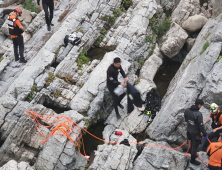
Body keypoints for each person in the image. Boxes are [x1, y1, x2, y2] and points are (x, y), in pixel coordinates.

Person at [184, 99, 207, 165]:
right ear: (199, 105)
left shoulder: (187, 111)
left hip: (189, 131)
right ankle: (192, 160)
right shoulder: (198, 114)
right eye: (201, 106)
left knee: (192, 144)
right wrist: (205, 134)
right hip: (195, 133)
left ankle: (193, 154)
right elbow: (201, 126)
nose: (201, 107)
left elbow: (186, 120)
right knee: (194, 146)